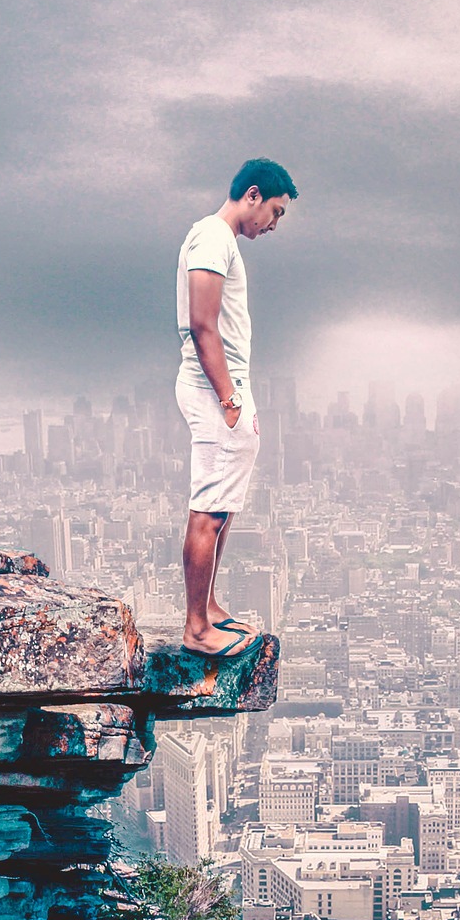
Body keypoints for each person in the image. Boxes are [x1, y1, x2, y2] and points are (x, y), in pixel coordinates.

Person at [176, 157, 296, 656]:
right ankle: (196, 628)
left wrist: (238, 398)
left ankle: (209, 609)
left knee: (221, 511)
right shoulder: (212, 237)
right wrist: (229, 399)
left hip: (225, 388)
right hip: (213, 389)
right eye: (275, 211)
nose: (273, 224)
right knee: (208, 511)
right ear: (252, 195)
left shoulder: (218, 241)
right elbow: (204, 325)